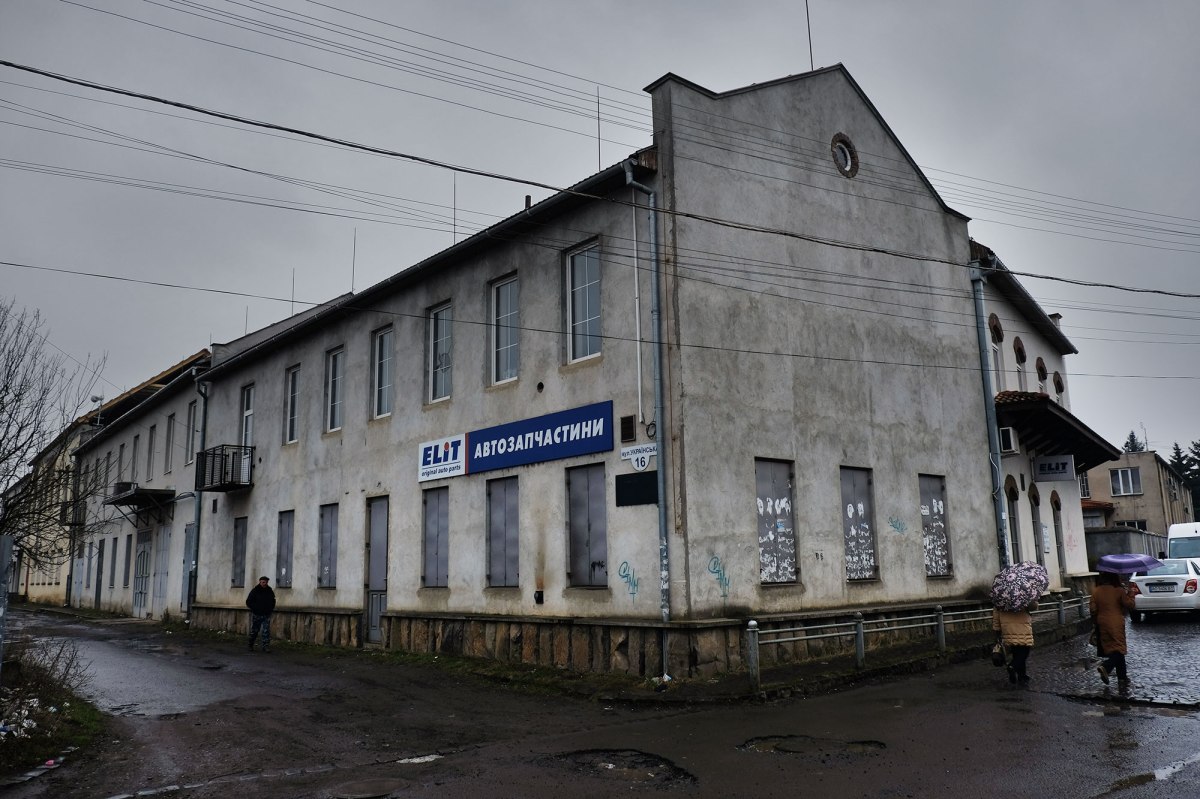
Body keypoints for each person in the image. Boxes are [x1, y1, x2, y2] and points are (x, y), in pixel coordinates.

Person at [1090, 571, 1135, 687]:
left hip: (1102, 622)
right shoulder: (1119, 590)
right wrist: (1131, 593)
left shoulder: (1096, 591)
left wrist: (1096, 623)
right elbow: (1129, 604)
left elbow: (1093, 610)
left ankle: (1122, 677)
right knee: (1119, 649)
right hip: (1116, 622)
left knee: (1112, 648)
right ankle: (1106, 666)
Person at [992, 600, 1038, 685]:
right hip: (1023, 628)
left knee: (1016, 652)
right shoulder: (1022, 595)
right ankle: (1012, 666)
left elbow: (996, 617)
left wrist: (997, 631)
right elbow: (1033, 607)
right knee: (1024, 652)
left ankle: (1022, 676)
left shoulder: (999, 598)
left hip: (1008, 630)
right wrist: (1033, 601)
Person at [246, 575, 276, 652]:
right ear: (260, 582)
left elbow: (273, 601)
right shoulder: (255, 591)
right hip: (257, 614)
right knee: (255, 630)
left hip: (266, 614)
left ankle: (265, 647)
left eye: (266, 582)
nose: (264, 583)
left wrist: (270, 609)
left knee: (266, 631)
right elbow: (248, 602)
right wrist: (255, 609)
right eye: (263, 582)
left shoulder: (269, 591)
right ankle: (250, 645)